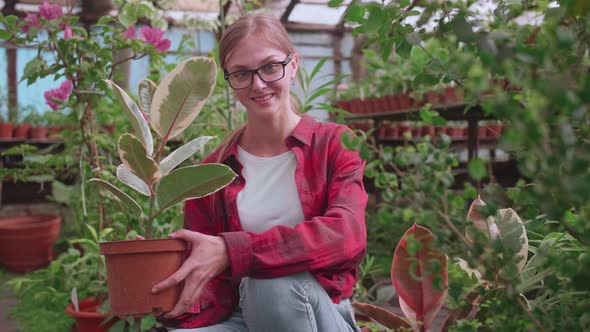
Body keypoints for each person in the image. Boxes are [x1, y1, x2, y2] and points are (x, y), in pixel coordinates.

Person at [153, 13, 368, 332]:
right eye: (241, 73)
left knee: (269, 284)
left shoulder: (333, 144)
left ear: (293, 64)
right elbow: (208, 272)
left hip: (319, 312)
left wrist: (234, 250)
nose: (258, 84)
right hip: (242, 317)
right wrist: (171, 300)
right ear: (229, 80)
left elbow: (347, 236)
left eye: (270, 67)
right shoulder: (214, 171)